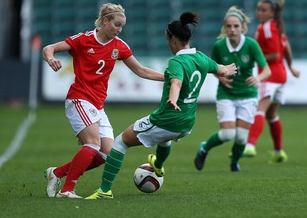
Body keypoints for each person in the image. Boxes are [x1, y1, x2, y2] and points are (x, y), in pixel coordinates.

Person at [84, 12, 237, 200]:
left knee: (120, 142)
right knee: (164, 139)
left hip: (167, 118)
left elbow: (176, 83)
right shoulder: (201, 58)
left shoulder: (177, 61)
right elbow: (221, 70)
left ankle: (104, 191)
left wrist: (172, 99)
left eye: (167, 39)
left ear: (173, 39)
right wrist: (229, 69)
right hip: (187, 123)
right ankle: (158, 164)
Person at [43, 3, 165, 198]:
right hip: (79, 98)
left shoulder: (120, 46)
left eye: (122, 26)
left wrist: (169, 77)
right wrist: (50, 59)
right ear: (105, 21)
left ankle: (56, 173)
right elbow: (49, 48)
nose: (119, 29)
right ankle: (67, 190)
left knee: (106, 153)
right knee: (92, 143)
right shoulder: (84, 39)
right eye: (117, 25)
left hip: (98, 105)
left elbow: (141, 70)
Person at [194, 6, 271, 172]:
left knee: (242, 138)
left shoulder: (251, 45)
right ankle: (204, 148)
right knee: (228, 134)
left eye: (236, 26)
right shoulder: (219, 46)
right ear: (224, 27)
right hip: (226, 94)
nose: (232, 29)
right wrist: (220, 76)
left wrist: (258, 78)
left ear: (242, 27)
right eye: (229, 26)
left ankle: (234, 163)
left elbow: (267, 70)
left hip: (248, 94)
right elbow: (211, 67)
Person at [243, 0, 300, 163]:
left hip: (270, 75)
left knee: (260, 110)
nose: (259, 12)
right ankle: (278, 152)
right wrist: (290, 67)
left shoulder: (266, 28)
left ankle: (250, 145)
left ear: (272, 13)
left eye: (263, 10)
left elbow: (275, 54)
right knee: (272, 114)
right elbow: (286, 48)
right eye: (258, 9)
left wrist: (254, 58)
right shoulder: (278, 27)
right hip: (281, 75)